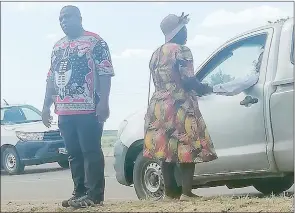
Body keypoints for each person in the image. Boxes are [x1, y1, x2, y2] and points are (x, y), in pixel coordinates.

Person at [41, 5, 114, 208]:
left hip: (89, 107)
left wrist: (104, 102)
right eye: (61, 18)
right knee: (73, 153)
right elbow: (51, 77)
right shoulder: (57, 47)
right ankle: (79, 192)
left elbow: (105, 72)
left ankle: (94, 195)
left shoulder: (95, 41)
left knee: (90, 151)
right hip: (64, 110)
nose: (64, 21)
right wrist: (46, 105)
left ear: (79, 18)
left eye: (68, 17)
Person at [143, 13, 218, 201]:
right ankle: (186, 192)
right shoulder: (182, 50)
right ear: (177, 31)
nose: (186, 33)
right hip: (179, 102)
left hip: (159, 104)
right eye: (184, 29)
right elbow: (188, 79)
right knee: (187, 144)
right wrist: (204, 88)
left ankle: (169, 193)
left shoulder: (156, 53)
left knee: (165, 148)